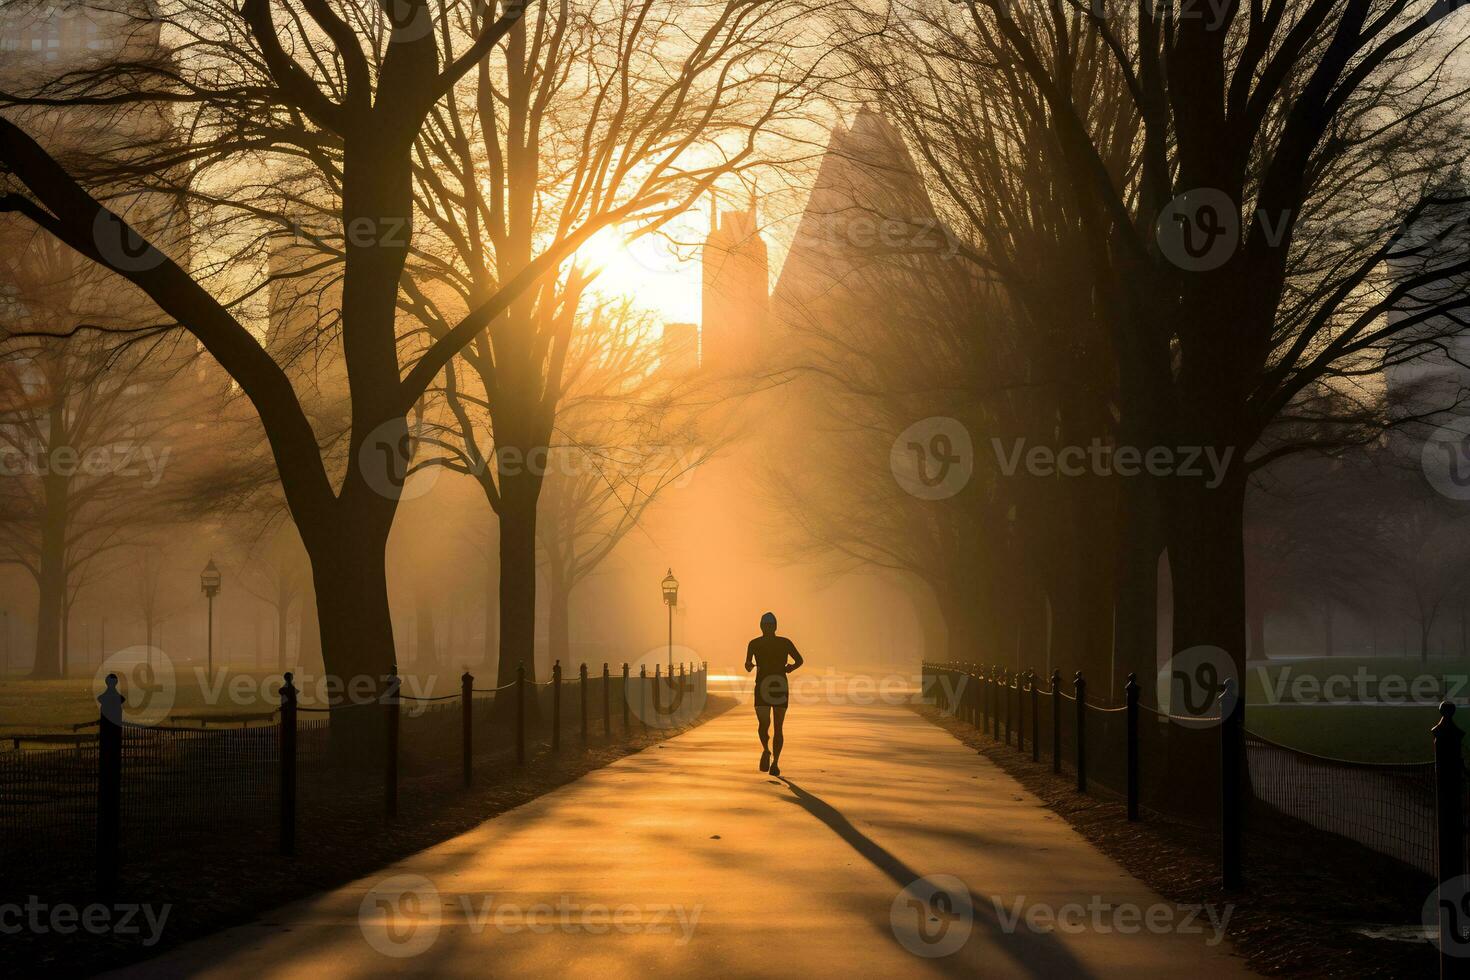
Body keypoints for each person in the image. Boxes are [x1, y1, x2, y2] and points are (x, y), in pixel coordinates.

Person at [745, 611, 803, 776]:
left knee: (768, 726)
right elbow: (799, 660)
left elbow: (748, 664)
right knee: (773, 727)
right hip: (777, 686)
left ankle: (771, 757)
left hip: (766, 686)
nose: (768, 628)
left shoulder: (755, 643)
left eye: (770, 625)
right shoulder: (782, 643)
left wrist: (748, 665)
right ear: (764, 626)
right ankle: (771, 757)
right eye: (767, 625)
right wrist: (790, 667)